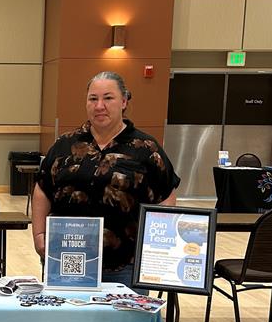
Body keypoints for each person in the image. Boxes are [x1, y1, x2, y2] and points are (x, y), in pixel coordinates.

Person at [32, 71, 179, 288]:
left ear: (124, 101)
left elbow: (167, 196)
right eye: (93, 99)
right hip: (67, 257)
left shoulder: (146, 149)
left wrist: (153, 247)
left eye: (108, 98)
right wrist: (39, 234)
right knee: (67, 319)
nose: (99, 105)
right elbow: (42, 189)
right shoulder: (64, 145)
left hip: (124, 266)